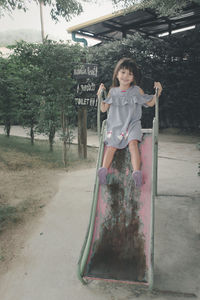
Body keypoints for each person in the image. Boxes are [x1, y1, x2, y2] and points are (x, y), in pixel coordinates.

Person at [97, 57, 162, 187]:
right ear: (117, 74)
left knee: (133, 144)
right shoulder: (113, 92)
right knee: (111, 147)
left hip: (132, 124)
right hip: (116, 125)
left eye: (130, 74)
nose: (126, 76)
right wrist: (100, 96)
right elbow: (103, 108)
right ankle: (103, 170)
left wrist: (158, 92)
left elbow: (149, 103)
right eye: (123, 72)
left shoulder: (136, 90)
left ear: (133, 77)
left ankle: (137, 172)